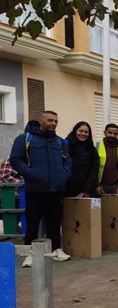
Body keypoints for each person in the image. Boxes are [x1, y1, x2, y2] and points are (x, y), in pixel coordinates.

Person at [10, 111, 72, 266]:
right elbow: (16, 160)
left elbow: (68, 161)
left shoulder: (60, 142)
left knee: (54, 220)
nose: (53, 123)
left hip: (56, 189)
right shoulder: (25, 138)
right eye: (50, 120)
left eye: (56, 121)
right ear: (41, 121)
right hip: (35, 189)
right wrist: (32, 174)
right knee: (33, 221)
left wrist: (63, 175)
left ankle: (56, 249)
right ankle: (29, 253)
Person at [64, 121, 99, 197]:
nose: (83, 134)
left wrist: (87, 188)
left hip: (85, 190)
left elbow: (94, 169)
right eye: (80, 131)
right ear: (75, 131)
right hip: (66, 188)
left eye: (86, 132)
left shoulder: (92, 149)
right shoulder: (65, 146)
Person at [96, 123, 118, 195]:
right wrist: (96, 185)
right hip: (100, 186)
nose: (112, 135)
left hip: (117, 186)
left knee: (116, 206)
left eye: (115, 134)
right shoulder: (97, 145)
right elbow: (92, 167)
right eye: (109, 132)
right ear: (104, 132)